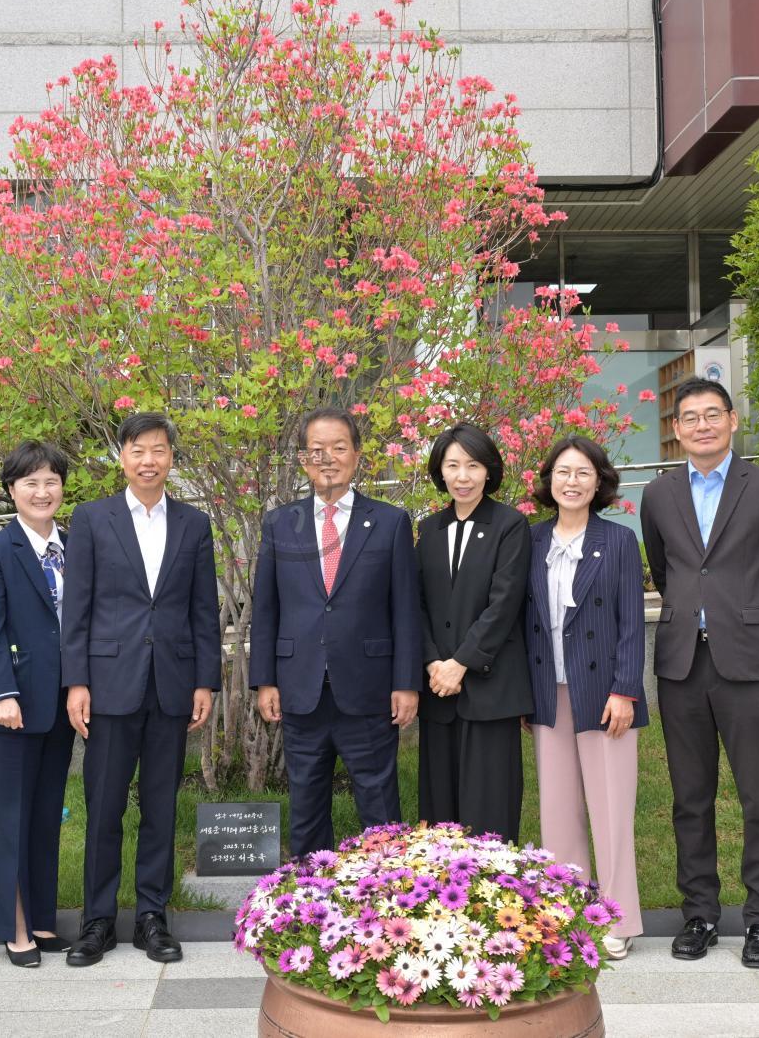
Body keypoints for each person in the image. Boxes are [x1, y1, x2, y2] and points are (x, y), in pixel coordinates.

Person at [640, 377, 759, 969]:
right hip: (683, 662)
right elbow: (664, 567)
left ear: (733, 421)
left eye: (714, 414)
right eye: (691, 417)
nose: (703, 424)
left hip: (749, 662)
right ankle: (700, 913)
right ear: (677, 429)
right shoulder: (657, 495)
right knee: (691, 798)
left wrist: (750, 621)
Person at [62, 412, 221, 966]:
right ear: (122, 457)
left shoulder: (194, 524)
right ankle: (97, 920)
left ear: (171, 458)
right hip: (108, 684)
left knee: (160, 804)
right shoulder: (91, 519)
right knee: (103, 806)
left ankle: (152, 916)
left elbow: (205, 610)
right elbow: (76, 607)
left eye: (158, 450)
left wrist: (206, 681)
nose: (148, 460)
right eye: (137, 450)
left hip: (172, 686)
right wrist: (76, 681)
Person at [250, 407, 421, 858]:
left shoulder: (389, 521)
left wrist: (406, 683)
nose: (328, 459)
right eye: (316, 450)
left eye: (339, 448)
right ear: (304, 460)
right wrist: (265, 678)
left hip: (369, 688)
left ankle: (388, 901)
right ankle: (308, 906)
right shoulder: (279, 523)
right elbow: (266, 608)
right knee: (306, 805)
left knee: (379, 805)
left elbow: (405, 609)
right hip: (300, 687)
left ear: (358, 455)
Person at [524, 435, 648, 960]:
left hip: (603, 694)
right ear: (548, 481)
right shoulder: (530, 542)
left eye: (582, 473)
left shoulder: (618, 541)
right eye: (562, 472)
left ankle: (616, 919)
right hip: (547, 691)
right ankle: (567, 914)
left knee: (611, 808)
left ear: (599, 482)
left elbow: (630, 625)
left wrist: (625, 691)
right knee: (558, 811)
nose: (571, 482)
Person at [0, 441, 79, 968]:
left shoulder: (77, 545)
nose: (42, 491)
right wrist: (1, 692)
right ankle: (14, 928)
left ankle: (40, 916)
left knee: (47, 813)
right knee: (13, 813)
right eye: (30, 482)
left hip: (64, 702)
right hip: (11, 703)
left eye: (51, 481)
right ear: (11, 490)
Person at [415, 423, 533, 842]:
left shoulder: (510, 526)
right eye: (452, 465)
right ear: (440, 472)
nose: (462, 476)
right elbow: (420, 606)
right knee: (439, 812)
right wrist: (432, 662)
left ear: (489, 471)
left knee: (490, 811)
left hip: (490, 688)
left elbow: (503, 605)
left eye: (472, 465)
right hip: (438, 691)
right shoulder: (428, 530)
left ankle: (493, 896)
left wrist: (460, 664)